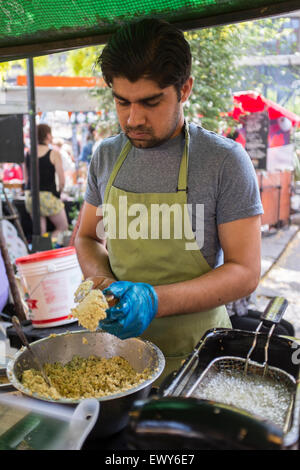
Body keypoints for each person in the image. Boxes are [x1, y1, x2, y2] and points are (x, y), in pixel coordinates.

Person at [74, 19, 264, 381]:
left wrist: (153, 300)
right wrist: (104, 286)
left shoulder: (223, 161)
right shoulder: (106, 156)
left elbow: (245, 271)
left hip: (200, 357)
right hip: (120, 360)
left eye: (150, 102)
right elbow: (86, 237)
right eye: (122, 101)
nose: (134, 119)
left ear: (185, 89)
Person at [24, 124, 69, 239]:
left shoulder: (28, 153)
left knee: (40, 232)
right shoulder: (54, 154)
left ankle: (43, 247)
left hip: (31, 197)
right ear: (48, 135)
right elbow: (62, 181)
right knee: (63, 227)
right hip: (48, 197)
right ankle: (48, 244)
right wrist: (59, 193)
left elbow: (26, 178)